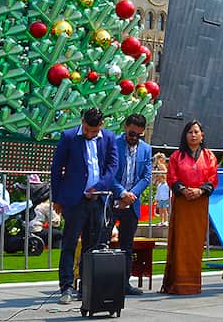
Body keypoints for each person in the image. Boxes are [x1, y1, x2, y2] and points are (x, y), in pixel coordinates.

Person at [51, 107, 119, 306]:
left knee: (93, 245)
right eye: (87, 130)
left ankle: (87, 287)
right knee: (70, 243)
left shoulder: (108, 137)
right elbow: (56, 168)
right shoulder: (69, 137)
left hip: (98, 199)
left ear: (102, 126)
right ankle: (66, 287)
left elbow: (112, 166)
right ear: (82, 121)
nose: (90, 134)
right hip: (74, 199)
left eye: (94, 131)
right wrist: (57, 197)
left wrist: (99, 187)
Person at [160, 120, 216, 295]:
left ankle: (193, 284)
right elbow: (172, 178)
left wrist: (199, 191)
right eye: (190, 132)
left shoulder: (209, 156)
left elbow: (213, 179)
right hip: (182, 204)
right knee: (180, 243)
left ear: (202, 135)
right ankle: (177, 284)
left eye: (196, 132)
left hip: (199, 204)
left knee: (195, 244)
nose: (193, 135)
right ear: (185, 135)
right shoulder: (177, 156)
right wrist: (184, 190)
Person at [110, 113, 153, 296]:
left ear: (142, 132)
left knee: (126, 246)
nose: (133, 137)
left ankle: (124, 283)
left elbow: (147, 176)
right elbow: (108, 172)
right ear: (125, 128)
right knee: (102, 242)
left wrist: (132, 195)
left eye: (137, 135)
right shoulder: (113, 144)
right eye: (130, 133)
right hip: (112, 202)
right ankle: (101, 282)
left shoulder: (146, 149)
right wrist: (121, 193)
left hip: (132, 204)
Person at [152, 152, 170, 225]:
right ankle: (161, 221)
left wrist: (158, 177)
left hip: (164, 186)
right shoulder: (157, 167)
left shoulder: (162, 166)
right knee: (160, 208)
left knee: (164, 208)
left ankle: (165, 221)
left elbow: (164, 175)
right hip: (160, 185)